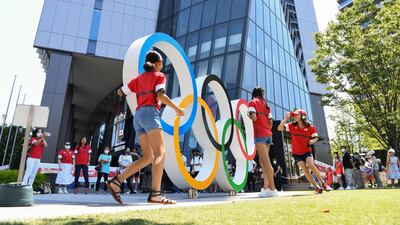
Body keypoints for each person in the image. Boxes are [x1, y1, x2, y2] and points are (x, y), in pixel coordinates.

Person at [109, 50, 184, 204]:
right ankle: (155, 194)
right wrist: (177, 109)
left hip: (138, 116)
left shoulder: (138, 79)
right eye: (162, 62)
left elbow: (120, 92)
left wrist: (131, 87)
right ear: (157, 64)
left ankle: (116, 182)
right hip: (150, 113)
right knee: (160, 154)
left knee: (148, 157)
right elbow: (161, 96)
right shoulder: (159, 76)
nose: (162, 65)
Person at [278, 109, 331, 194]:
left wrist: (312, 141)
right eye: (294, 115)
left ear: (302, 116)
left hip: (306, 150)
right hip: (296, 153)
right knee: (305, 170)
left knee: (310, 164)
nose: (294, 116)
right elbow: (279, 128)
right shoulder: (291, 125)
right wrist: (285, 119)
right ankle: (316, 187)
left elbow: (316, 138)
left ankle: (323, 184)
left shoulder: (310, 127)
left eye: (296, 114)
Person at [247, 87, 278, 197]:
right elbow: (270, 123)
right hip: (268, 134)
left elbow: (254, 118)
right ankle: (266, 188)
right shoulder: (266, 104)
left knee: (266, 162)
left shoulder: (252, 102)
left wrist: (249, 115)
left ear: (253, 93)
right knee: (262, 162)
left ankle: (273, 189)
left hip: (260, 134)